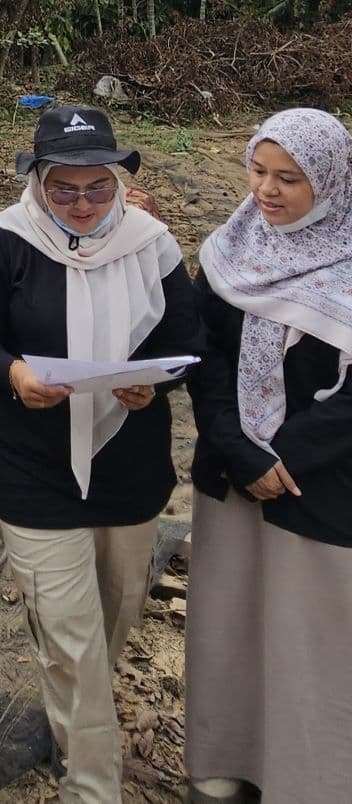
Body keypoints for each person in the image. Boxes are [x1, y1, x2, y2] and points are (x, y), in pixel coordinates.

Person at [0, 106, 200, 803]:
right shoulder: (5, 242)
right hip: (32, 465)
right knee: (71, 640)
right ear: (37, 180)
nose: (83, 204)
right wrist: (16, 375)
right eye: (65, 189)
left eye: (99, 188)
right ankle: (92, 785)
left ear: (120, 182)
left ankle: (75, 726)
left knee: (113, 617)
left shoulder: (151, 243)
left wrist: (154, 381)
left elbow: (184, 339)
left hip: (130, 466)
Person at [185, 108, 352, 804]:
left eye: (290, 178)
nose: (267, 191)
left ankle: (308, 783)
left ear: (334, 183)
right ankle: (227, 764)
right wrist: (238, 449)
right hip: (233, 478)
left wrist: (279, 458)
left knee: (310, 645)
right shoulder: (232, 249)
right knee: (229, 626)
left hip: (319, 489)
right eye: (259, 171)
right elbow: (205, 357)